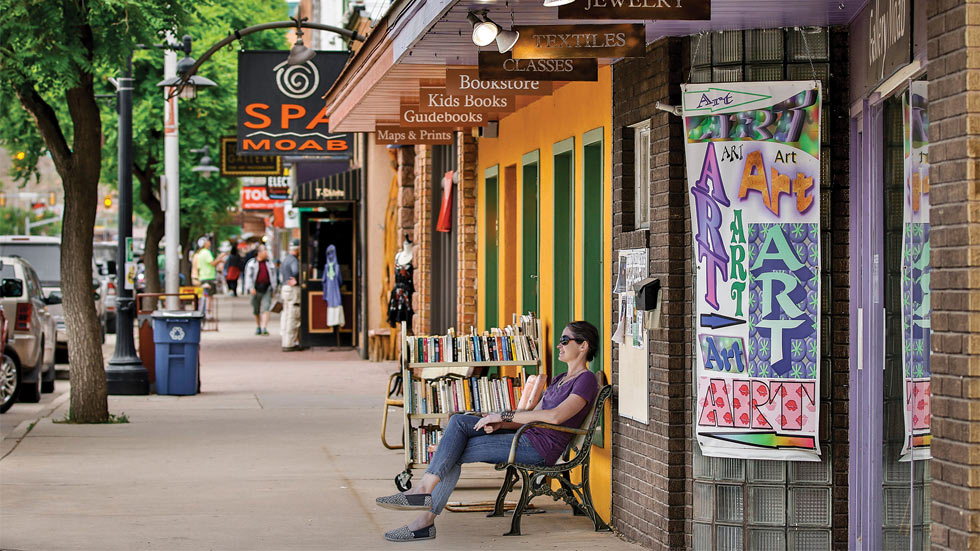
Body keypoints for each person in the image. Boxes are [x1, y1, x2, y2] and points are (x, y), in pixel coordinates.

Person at [375, 320, 601, 542]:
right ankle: (423, 501)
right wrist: (501, 424)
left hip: (540, 448)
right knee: (460, 422)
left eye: (564, 340)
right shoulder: (561, 379)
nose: (559, 345)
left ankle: (423, 512)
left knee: (452, 452)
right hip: (526, 436)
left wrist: (504, 416)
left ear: (583, 345)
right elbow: (536, 413)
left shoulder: (586, 380)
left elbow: (555, 417)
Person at [243, 245, 277, 336]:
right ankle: (258, 326)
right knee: (256, 309)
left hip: (267, 288)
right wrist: (250, 287)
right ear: (259, 253)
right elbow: (248, 276)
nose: (266, 254)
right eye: (264, 252)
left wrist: (274, 289)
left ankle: (264, 327)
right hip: (256, 288)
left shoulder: (270, 264)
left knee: (266, 308)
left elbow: (274, 277)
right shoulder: (252, 263)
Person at [192, 237, 227, 319]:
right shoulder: (206, 252)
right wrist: (220, 258)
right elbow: (213, 263)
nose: (209, 242)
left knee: (205, 295)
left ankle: (203, 311)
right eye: (208, 241)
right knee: (209, 296)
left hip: (203, 276)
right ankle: (207, 312)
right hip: (208, 277)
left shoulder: (200, 253)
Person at [279, 240, 304, 351]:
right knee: (293, 316)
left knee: (287, 314)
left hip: (285, 289)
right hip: (292, 290)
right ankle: (290, 343)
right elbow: (296, 271)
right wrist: (296, 280)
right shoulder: (294, 260)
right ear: (297, 248)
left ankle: (286, 341)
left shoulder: (286, 259)